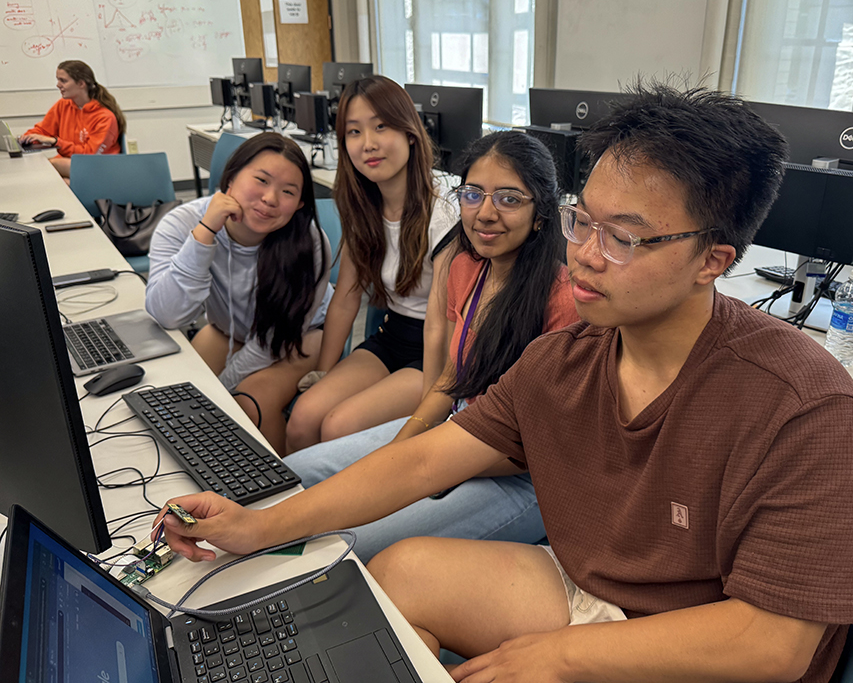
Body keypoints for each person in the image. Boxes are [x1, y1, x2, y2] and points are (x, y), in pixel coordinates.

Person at [157, 83, 853, 683]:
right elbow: (423, 459)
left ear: (712, 260)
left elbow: (775, 645)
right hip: (597, 591)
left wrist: (562, 655)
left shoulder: (805, 405)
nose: (587, 257)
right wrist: (257, 527)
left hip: (708, 648)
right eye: (581, 222)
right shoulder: (570, 357)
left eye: (623, 238)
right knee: (397, 571)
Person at [282, 130, 580, 561]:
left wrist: (424, 467)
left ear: (541, 214)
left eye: (510, 199)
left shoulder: (563, 302)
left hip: (521, 475)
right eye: (473, 194)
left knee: (344, 544)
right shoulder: (466, 268)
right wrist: (404, 449)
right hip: (455, 433)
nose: (485, 213)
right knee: (295, 474)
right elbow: (449, 379)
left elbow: (537, 449)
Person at [284, 75, 457, 453]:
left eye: (382, 126)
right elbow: (345, 298)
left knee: (337, 427)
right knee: (303, 417)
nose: (369, 144)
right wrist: (326, 372)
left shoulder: (443, 205)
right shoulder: (363, 206)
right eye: (354, 132)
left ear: (410, 132)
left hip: (437, 350)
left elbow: (439, 321)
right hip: (392, 336)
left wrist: (433, 405)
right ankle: (290, 510)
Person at [146, 133, 332, 456]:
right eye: (261, 180)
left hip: (301, 335)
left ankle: (275, 493)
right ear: (230, 178)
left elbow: (271, 341)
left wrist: (220, 389)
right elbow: (166, 314)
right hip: (228, 329)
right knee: (174, 397)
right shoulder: (183, 224)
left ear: (300, 204)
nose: (271, 198)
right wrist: (204, 235)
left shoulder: (308, 243)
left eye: (288, 192)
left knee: (247, 404)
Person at [19, 60, 125, 179]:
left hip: (99, 168)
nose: (58, 85)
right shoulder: (63, 105)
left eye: (63, 81)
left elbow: (89, 155)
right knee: (51, 177)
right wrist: (27, 138)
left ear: (81, 84)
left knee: (50, 168)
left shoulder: (104, 117)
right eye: (58, 79)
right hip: (73, 164)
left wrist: (55, 142)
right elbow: (42, 130)